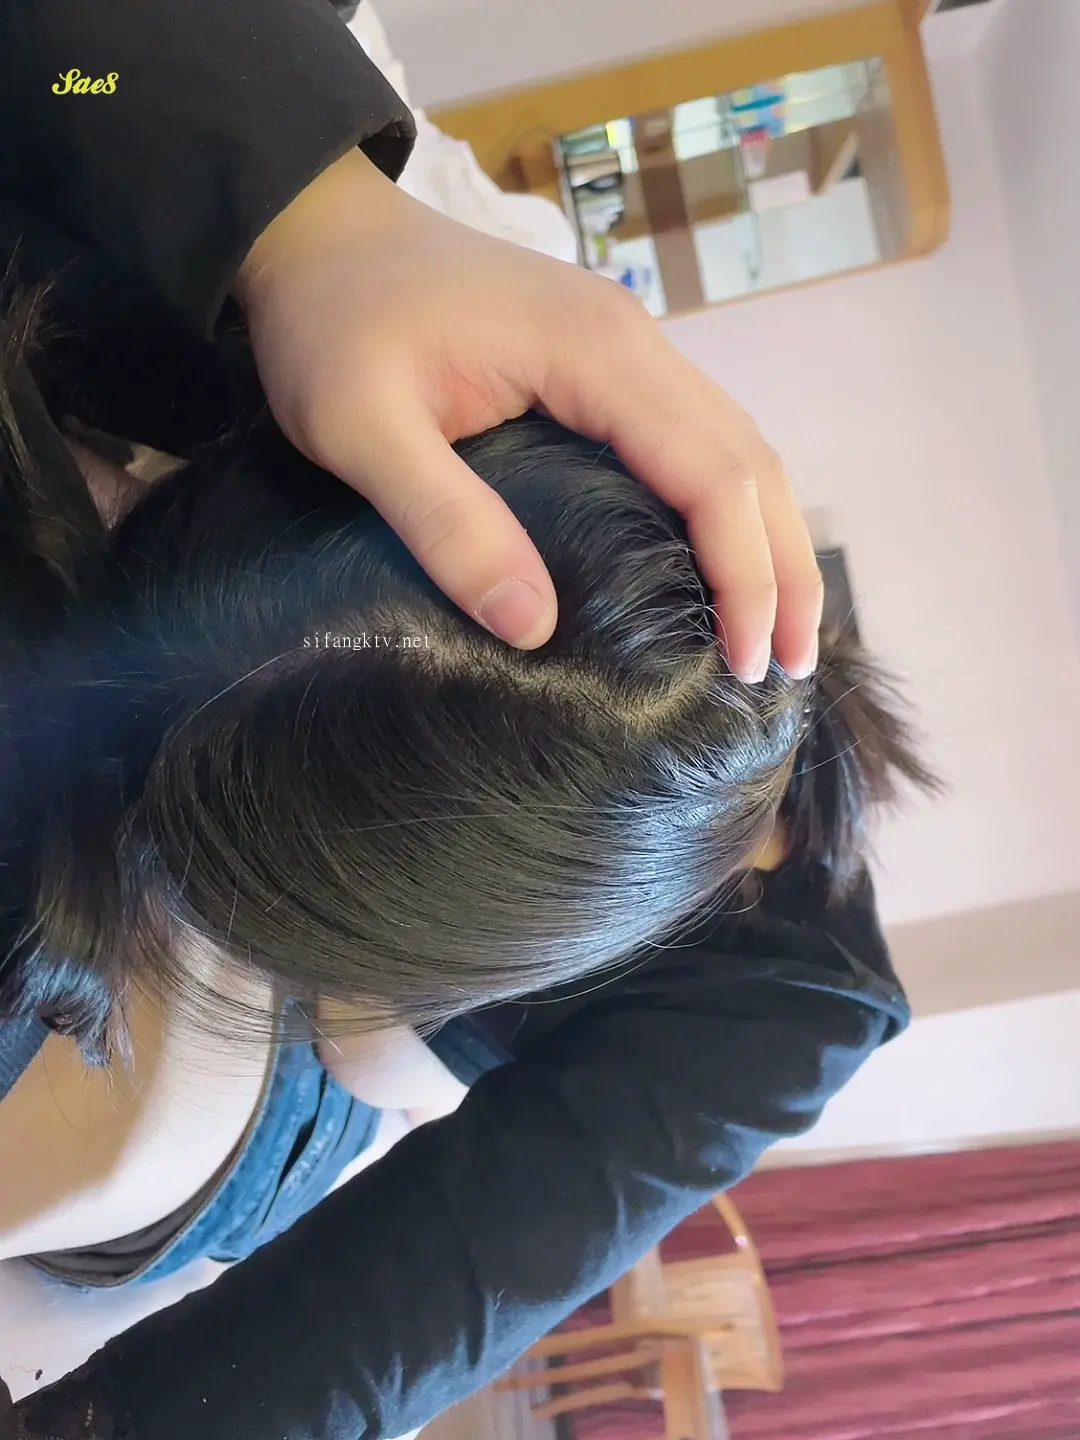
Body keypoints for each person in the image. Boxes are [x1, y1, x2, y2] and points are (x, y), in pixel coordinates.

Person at [0, 262, 938, 1440]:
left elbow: (391, 1316)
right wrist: (312, 233)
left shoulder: (794, 1007)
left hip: (310, 1087)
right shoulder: (556, 439)